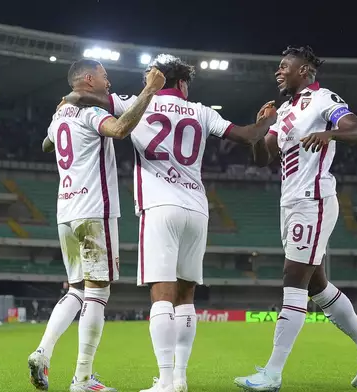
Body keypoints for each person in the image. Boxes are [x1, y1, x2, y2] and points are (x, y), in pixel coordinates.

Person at [64, 54, 276, 392]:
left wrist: (71, 99)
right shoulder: (202, 112)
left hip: (160, 207)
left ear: (162, 79)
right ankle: (180, 379)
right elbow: (249, 135)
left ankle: (164, 381)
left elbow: (85, 98)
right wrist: (266, 121)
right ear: (183, 83)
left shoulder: (137, 103)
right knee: (186, 297)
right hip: (197, 208)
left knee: (161, 297)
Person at [234, 46, 357, 390]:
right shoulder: (286, 109)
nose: (278, 72)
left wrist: (329, 133)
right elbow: (263, 158)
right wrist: (261, 129)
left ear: (304, 70)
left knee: (294, 281)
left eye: (284, 66)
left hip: (314, 199)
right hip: (289, 202)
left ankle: (272, 373)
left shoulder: (323, 100)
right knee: (316, 284)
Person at [27, 58, 166, 392]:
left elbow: (47, 144)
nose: (109, 80)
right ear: (88, 80)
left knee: (76, 289)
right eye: (104, 76)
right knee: (98, 293)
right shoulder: (90, 113)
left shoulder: (61, 115)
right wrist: (149, 90)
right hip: (94, 210)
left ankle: (43, 353)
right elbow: (119, 130)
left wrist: (63, 107)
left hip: (66, 212)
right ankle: (83, 379)